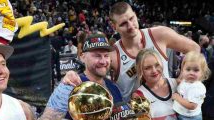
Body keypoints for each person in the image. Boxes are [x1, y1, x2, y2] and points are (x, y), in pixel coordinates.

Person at [62, 2, 200, 101]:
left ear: (135, 15)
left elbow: (194, 48)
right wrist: (72, 74)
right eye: (123, 23)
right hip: (134, 119)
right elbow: (92, 72)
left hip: (167, 108)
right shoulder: (113, 54)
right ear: (114, 26)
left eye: (131, 19)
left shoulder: (159, 35)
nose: (130, 26)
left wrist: (183, 78)